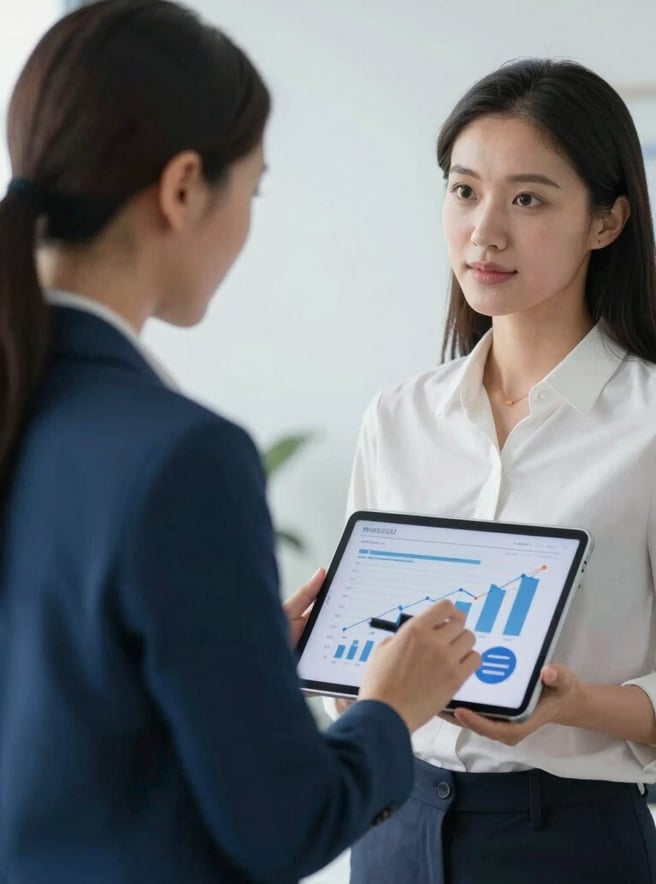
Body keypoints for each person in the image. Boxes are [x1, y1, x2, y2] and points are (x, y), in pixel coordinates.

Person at [0, 2, 481, 882]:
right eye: (252, 191)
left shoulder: (37, 408)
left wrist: (236, 657)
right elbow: (282, 826)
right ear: (185, 187)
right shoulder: (181, 459)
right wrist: (389, 708)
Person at [327, 58, 656, 884]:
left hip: (566, 841)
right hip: (392, 826)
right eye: (465, 191)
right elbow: (358, 664)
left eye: (527, 199)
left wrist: (576, 705)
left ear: (607, 221)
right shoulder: (398, 417)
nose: (484, 231)